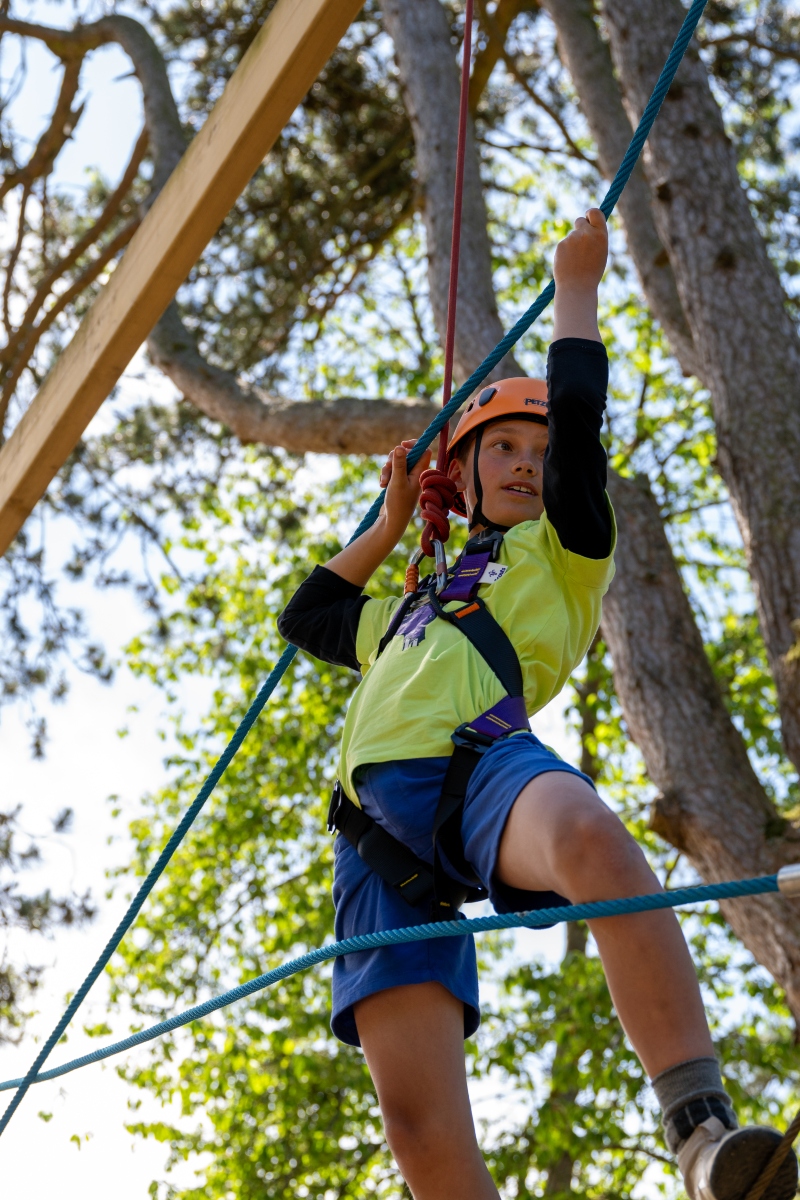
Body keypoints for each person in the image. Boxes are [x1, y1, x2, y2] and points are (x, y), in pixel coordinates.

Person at [278, 209, 797, 1200]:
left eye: (533, 447)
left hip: (481, 767)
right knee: (417, 1129)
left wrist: (575, 288)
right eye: (499, 447)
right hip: (371, 841)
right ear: (463, 474)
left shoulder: (565, 551)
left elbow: (576, 425)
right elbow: (307, 615)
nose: (523, 460)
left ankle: (696, 1132)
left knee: (592, 841)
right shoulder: (399, 613)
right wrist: (391, 525)